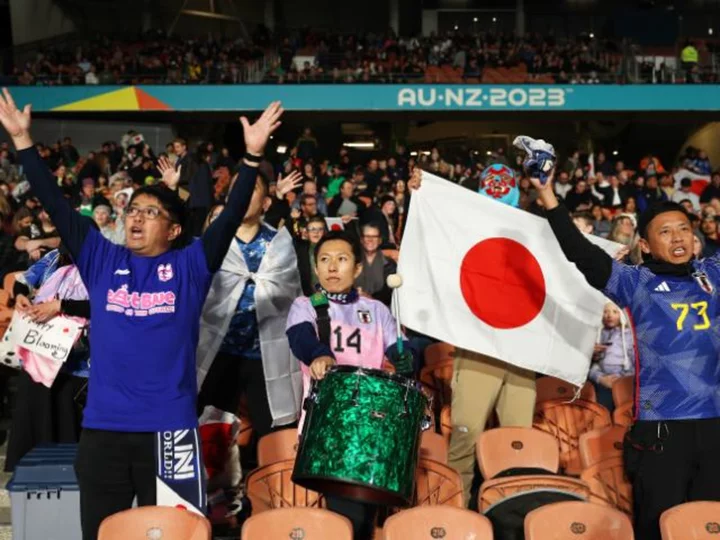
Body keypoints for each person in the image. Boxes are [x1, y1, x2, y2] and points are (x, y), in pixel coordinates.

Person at [0, 88, 284, 540]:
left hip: (169, 432)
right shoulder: (101, 258)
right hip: (102, 432)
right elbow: (55, 202)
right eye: (133, 210)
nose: (135, 217)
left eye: (150, 212)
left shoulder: (190, 266)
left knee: (177, 535)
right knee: (102, 534)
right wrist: (23, 143)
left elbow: (230, 216)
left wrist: (251, 159)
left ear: (173, 229)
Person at [534, 166, 720, 540]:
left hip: (716, 427)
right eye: (665, 232)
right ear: (646, 246)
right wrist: (548, 194)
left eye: (684, 228)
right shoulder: (635, 282)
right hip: (663, 431)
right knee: (658, 526)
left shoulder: (713, 273)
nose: (678, 237)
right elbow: (580, 253)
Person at [285, 230, 414, 540]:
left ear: (357, 268)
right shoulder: (306, 305)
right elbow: (300, 339)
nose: (332, 267)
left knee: (365, 519)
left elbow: (402, 349)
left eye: (341, 260)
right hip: (326, 427)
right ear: (315, 268)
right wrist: (320, 355)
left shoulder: (379, 311)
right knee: (345, 518)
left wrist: (406, 357)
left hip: (373, 428)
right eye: (325, 260)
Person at [196, 160, 303, 515]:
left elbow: (287, 293)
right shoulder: (213, 241)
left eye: (251, 191)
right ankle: (216, 504)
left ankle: (271, 503)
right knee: (213, 430)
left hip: (267, 356)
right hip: (219, 352)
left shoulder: (280, 243)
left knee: (272, 433)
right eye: (234, 191)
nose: (240, 198)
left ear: (267, 202)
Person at [5, 245, 90, 472]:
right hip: (41, 353)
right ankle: (31, 477)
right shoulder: (53, 257)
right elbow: (24, 280)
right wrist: (22, 294)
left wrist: (61, 306)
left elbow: (102, 304)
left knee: (67, 429)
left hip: (79, 364)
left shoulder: (101, 262)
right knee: (35, 418)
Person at [589, 302, 634, 413]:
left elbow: (635, 362)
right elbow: (591, 366)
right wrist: (600, 378)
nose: (609, 315)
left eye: (615, 312)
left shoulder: (628, 336)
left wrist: (622, 379)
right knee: (603, 410)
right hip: (603, 380)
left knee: (626, 410)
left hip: (625, 380)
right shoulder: (597, 335)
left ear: (622, 315)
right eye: (605, 312)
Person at [354, 223, 396, 306]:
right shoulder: (353, 262)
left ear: (380, 240)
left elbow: (390, 294)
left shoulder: (389, 265)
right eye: (367, 236)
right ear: (361, 240)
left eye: (374, 237)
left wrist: (369, 298)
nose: (370, 240)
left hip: (380, 310)